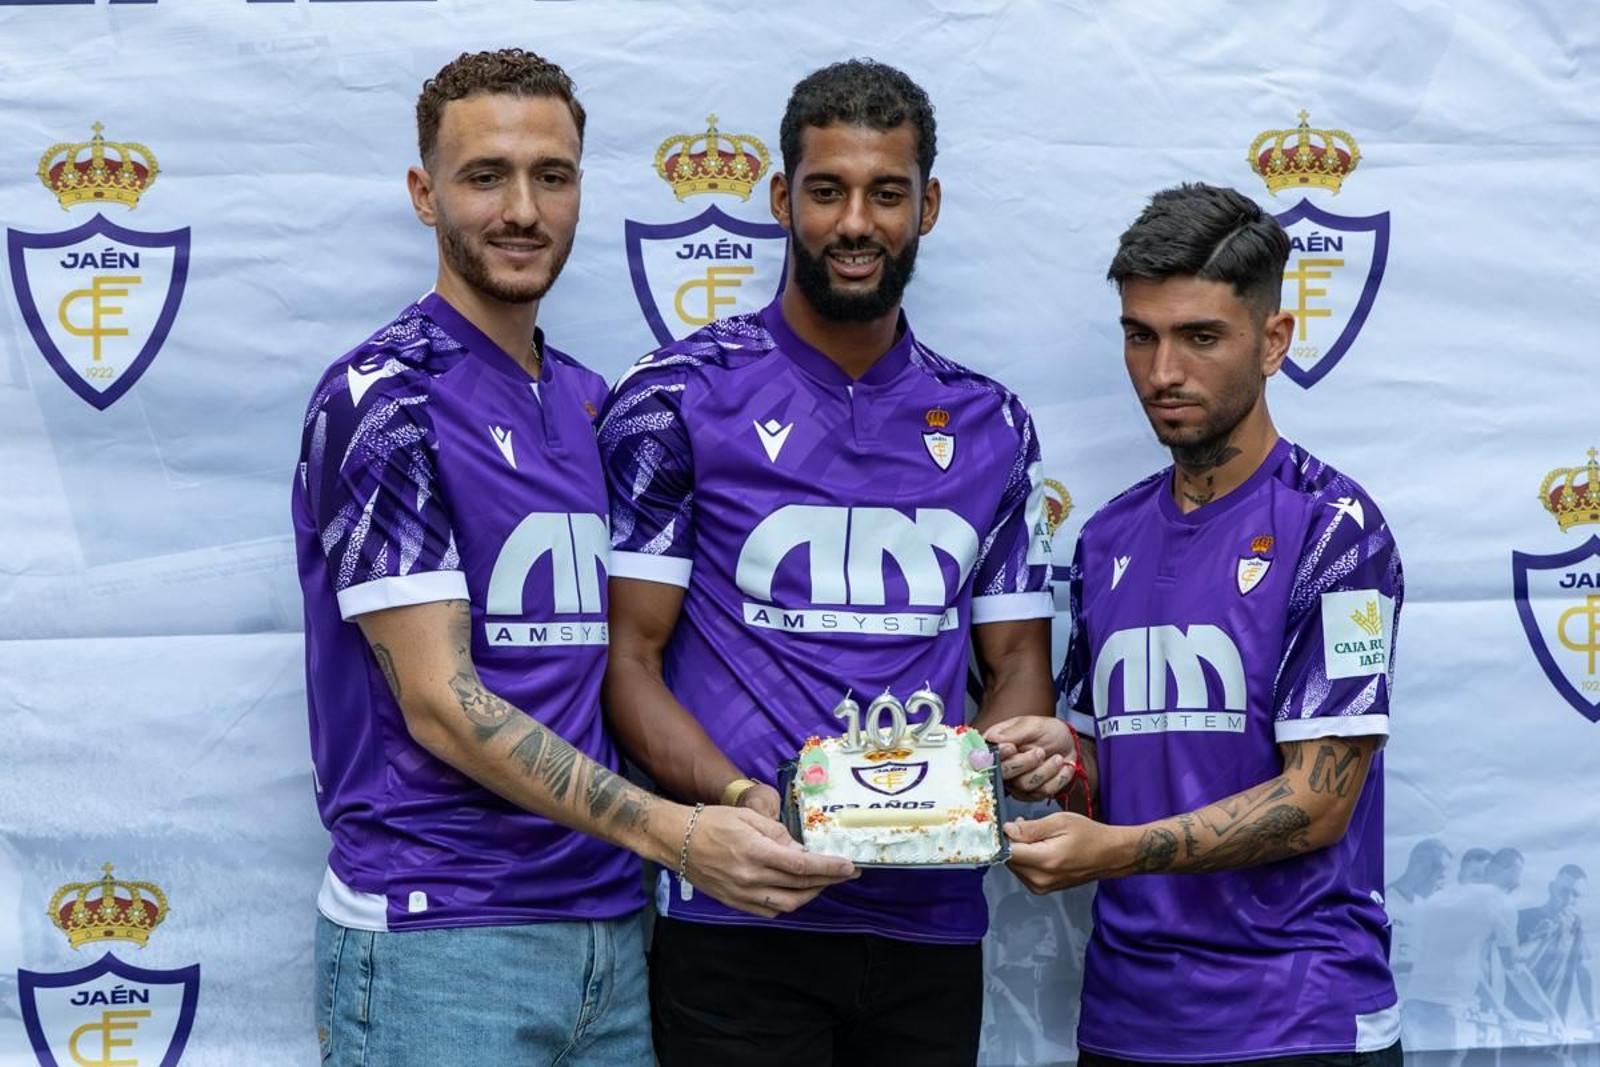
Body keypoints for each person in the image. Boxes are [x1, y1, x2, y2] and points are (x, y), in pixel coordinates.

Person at [291, 49, 852, 1067]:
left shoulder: (593, 401)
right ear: (424, 193)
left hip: (606, 925)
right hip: (442, 935)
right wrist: (677, 833)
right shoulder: (384, 401)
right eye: (485, 175)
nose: (522, 209)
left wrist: (733, 797)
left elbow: (624, 664)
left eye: (551, 175)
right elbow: (438, 698)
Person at [599, 59, 1057, 1066]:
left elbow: (1019, 659)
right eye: (827, 190)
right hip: (739, 910)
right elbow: (628, 661)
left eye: (885, 193)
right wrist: (740, 803)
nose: (855, 221)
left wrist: (980, 765)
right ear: (780, 199)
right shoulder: (675, 396)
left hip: (929, 917)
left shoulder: (992, 422)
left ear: (925, 205)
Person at [986, 183, 1406, 1064]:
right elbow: (1103, 769)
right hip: (1127, 1021)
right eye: (1141, 335)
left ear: (1274, 341)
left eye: (1199, 337)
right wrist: (1055, 759)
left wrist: (1116, 850)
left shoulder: (1337, 529)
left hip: (1299, 1019)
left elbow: (1319, 801)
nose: (1163, 371)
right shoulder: (1105, 538)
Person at [1513, 864, 1594, 1032]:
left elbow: (1583, 971)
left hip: (1556, 1022)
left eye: (1575, 894)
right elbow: (1515, 968)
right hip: (1518, 1016)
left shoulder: (1575, 924)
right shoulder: (1522, 918)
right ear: (1551, 887)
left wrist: (1593, 1018)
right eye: (1564, 891)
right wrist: (1545, 938)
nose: (1568, 899)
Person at [1388, 838, 1452, 991]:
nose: (1441, 886)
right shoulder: (1383, 904)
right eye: (1440, 878)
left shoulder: (1423, 906)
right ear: (1422, 870)